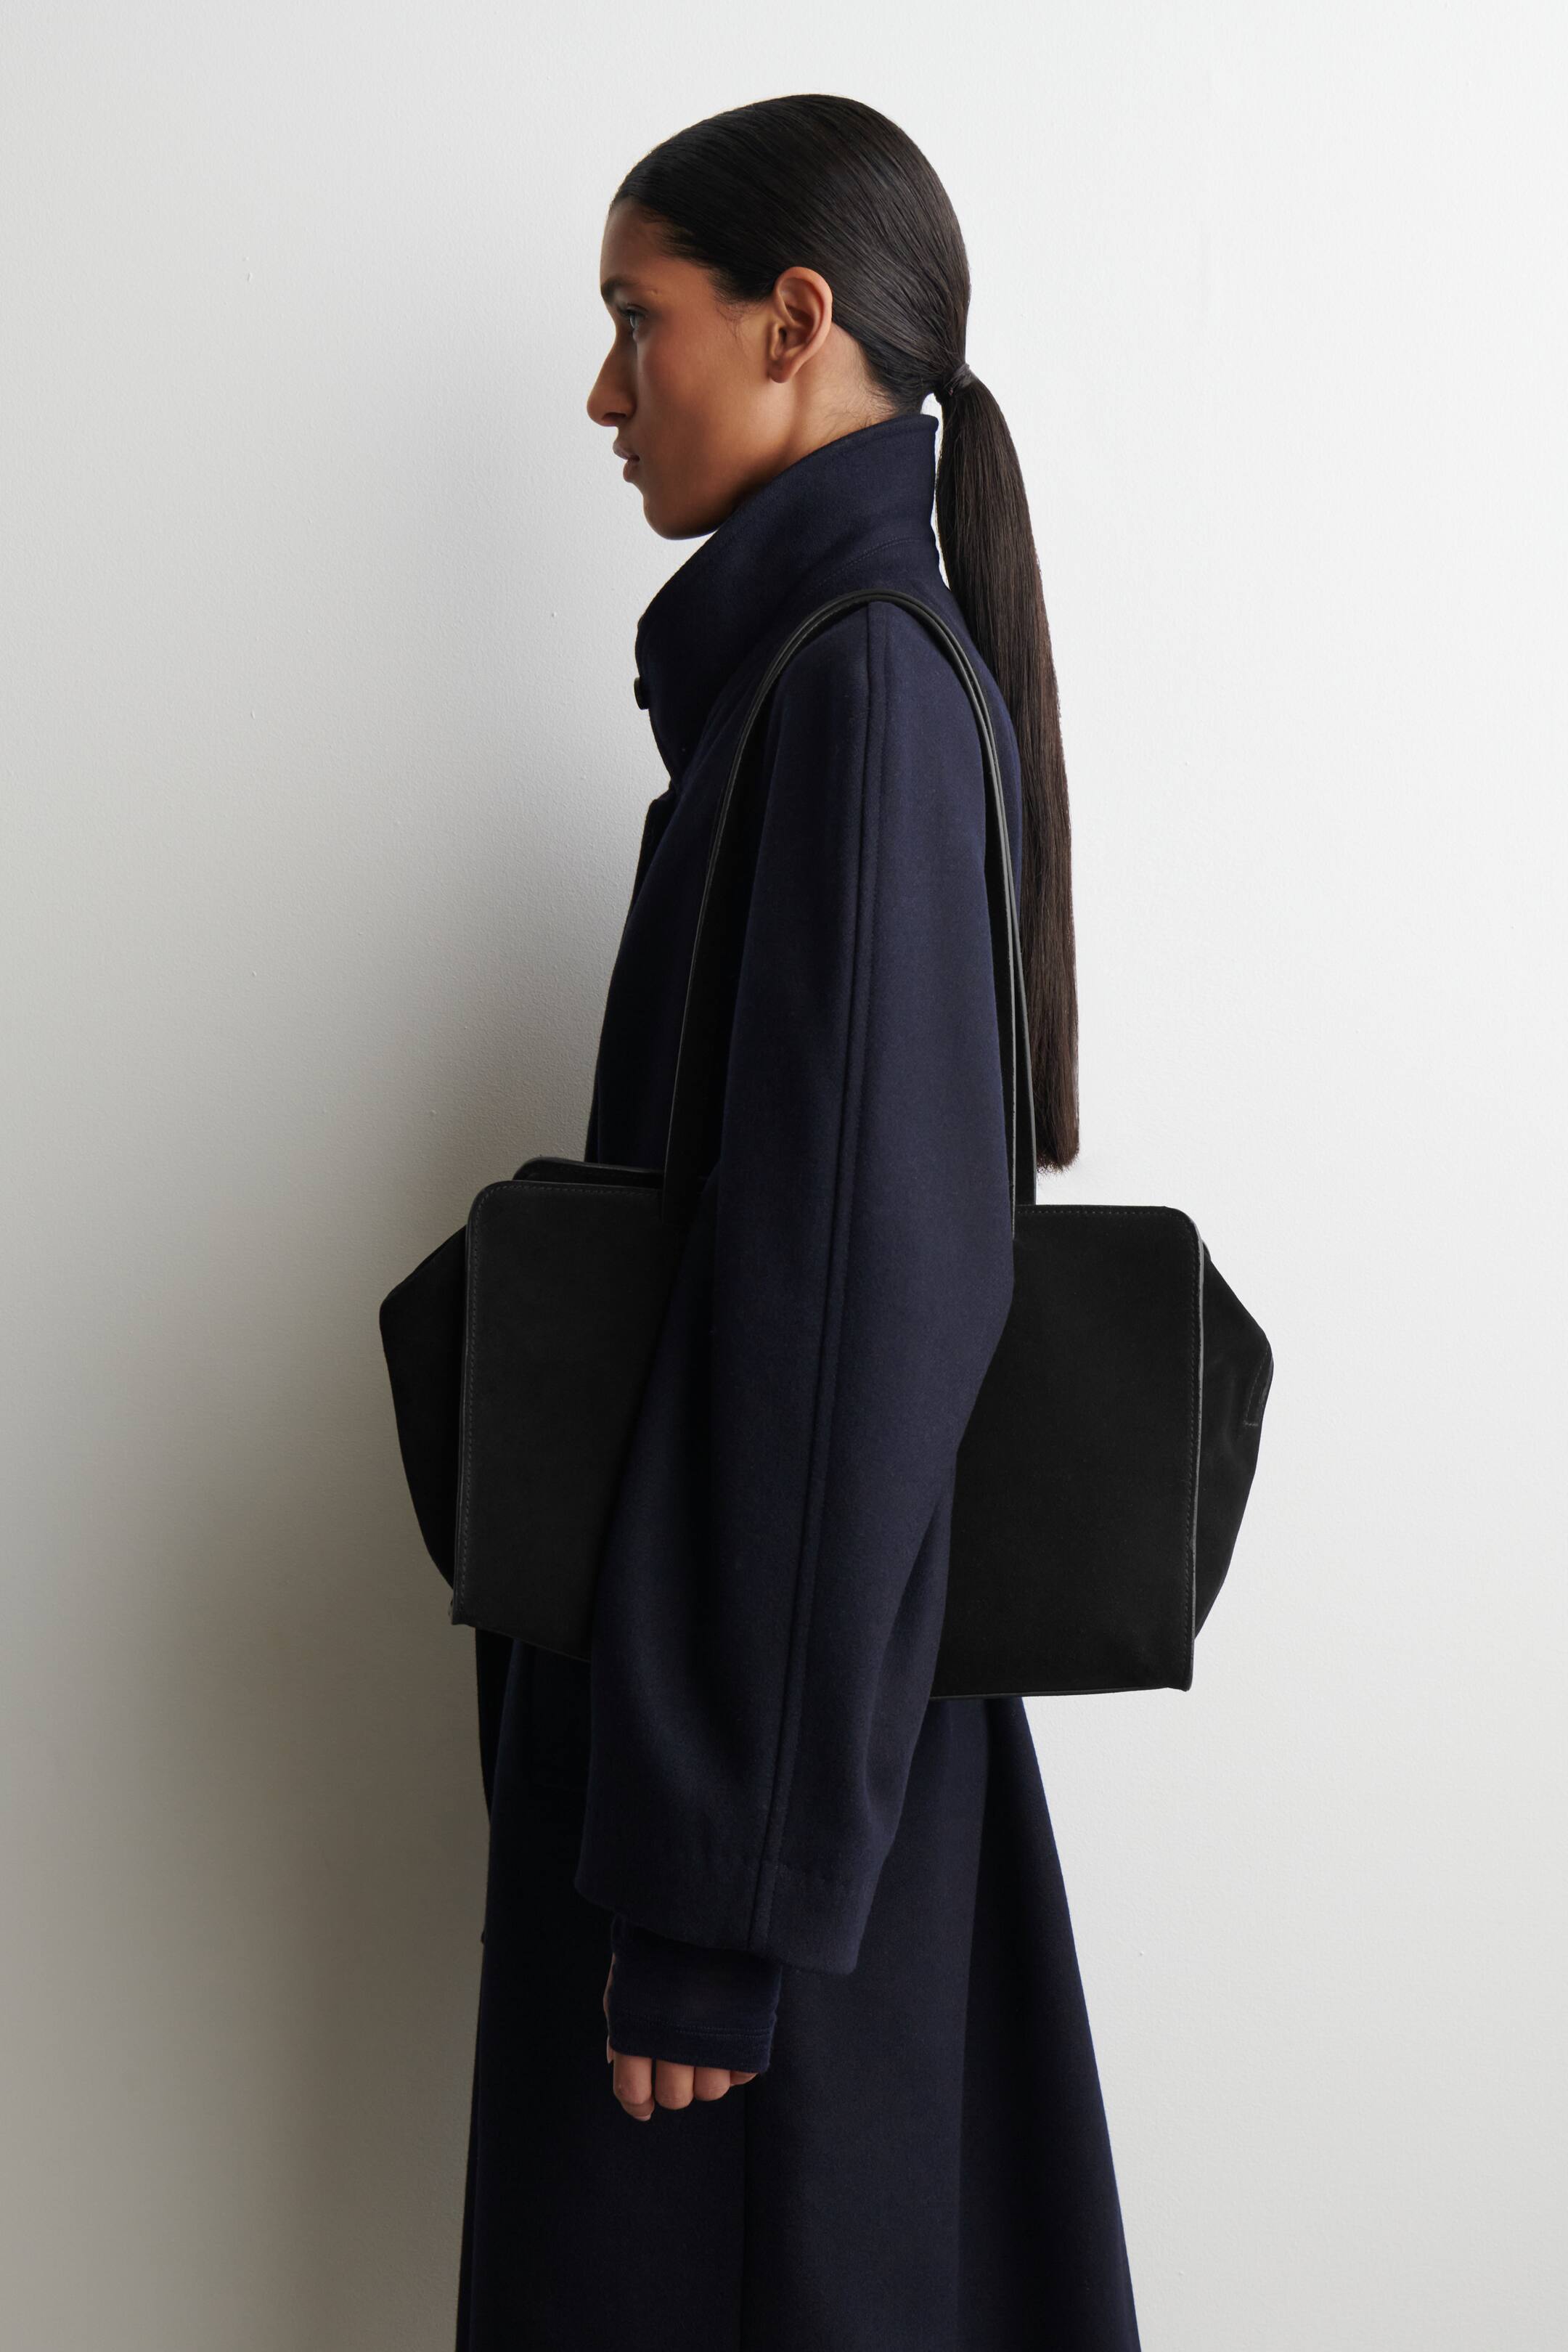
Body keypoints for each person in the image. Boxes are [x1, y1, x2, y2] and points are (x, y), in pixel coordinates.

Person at [454, 94, 1143, 2351]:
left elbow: (845, 1327)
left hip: (750, 1847)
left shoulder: (852, 695)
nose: (604, 390)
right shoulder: (823, 686)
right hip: (760, 1794)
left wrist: (712, 1906)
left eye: (635, 319)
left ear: (795, 321)